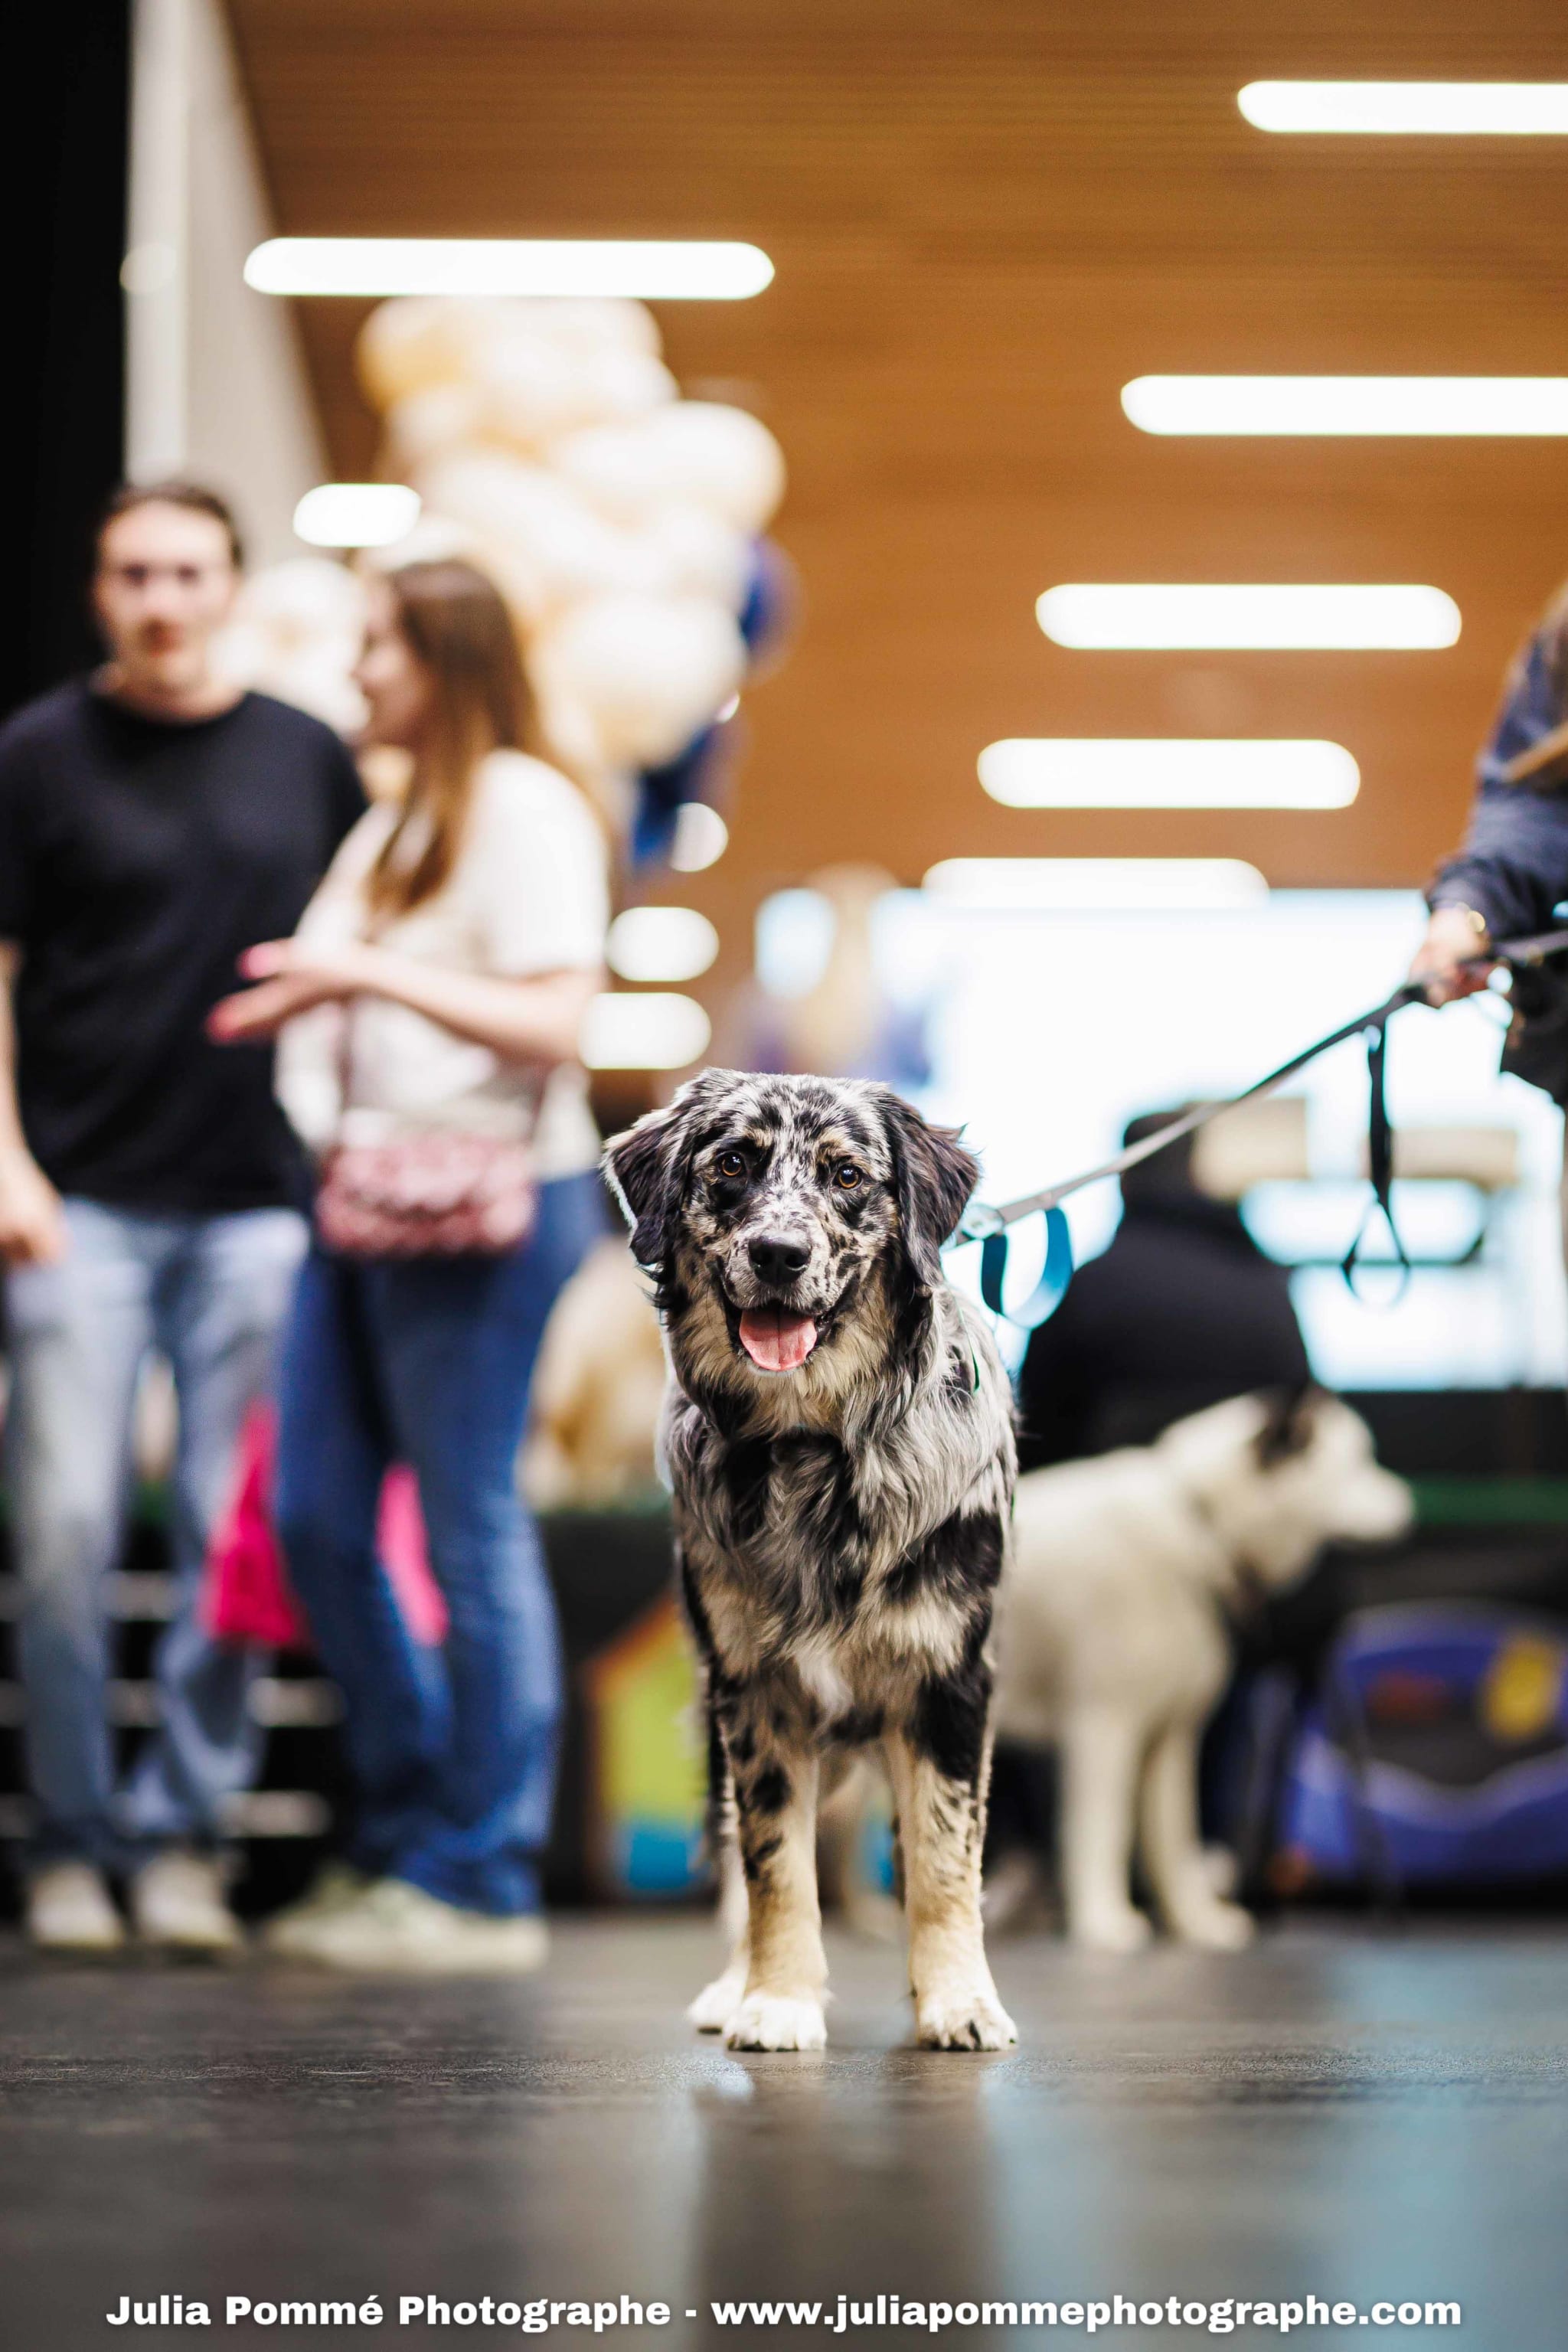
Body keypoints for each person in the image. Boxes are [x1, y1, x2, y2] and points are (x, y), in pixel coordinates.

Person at [210, 557, 609, 1972]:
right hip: (361, 1207)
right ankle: (401, 1835)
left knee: (468, 1526)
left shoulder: (524, 805)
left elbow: (557, 1017)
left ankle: (480, 1871)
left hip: (490, 1210)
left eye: (376, 645)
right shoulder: (395, 817)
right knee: (315, 1519)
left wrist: (364, 978)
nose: (357, 669)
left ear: (441, 659)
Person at [0, 481, 365, 1954]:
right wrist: (7, 1163)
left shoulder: (305, 755)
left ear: (231, 585)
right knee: (67, 1527)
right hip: (76, 1202)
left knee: (231, 1532)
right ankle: (73, 1847)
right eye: (132, 571)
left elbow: (360, 958)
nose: (160, 596)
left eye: (187, 570)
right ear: (102, 590)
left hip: (257, 1208)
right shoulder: (34, 754)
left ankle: (182, 1840)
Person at [1014, 1114, 1310, 1473]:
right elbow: (1306, 1423)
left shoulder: (1083, 1289)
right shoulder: (1266, 1288)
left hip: (1109, 1523)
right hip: (1252, 1525)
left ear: (1123, 1180)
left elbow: (1033, 1442)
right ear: (1198, 1173)